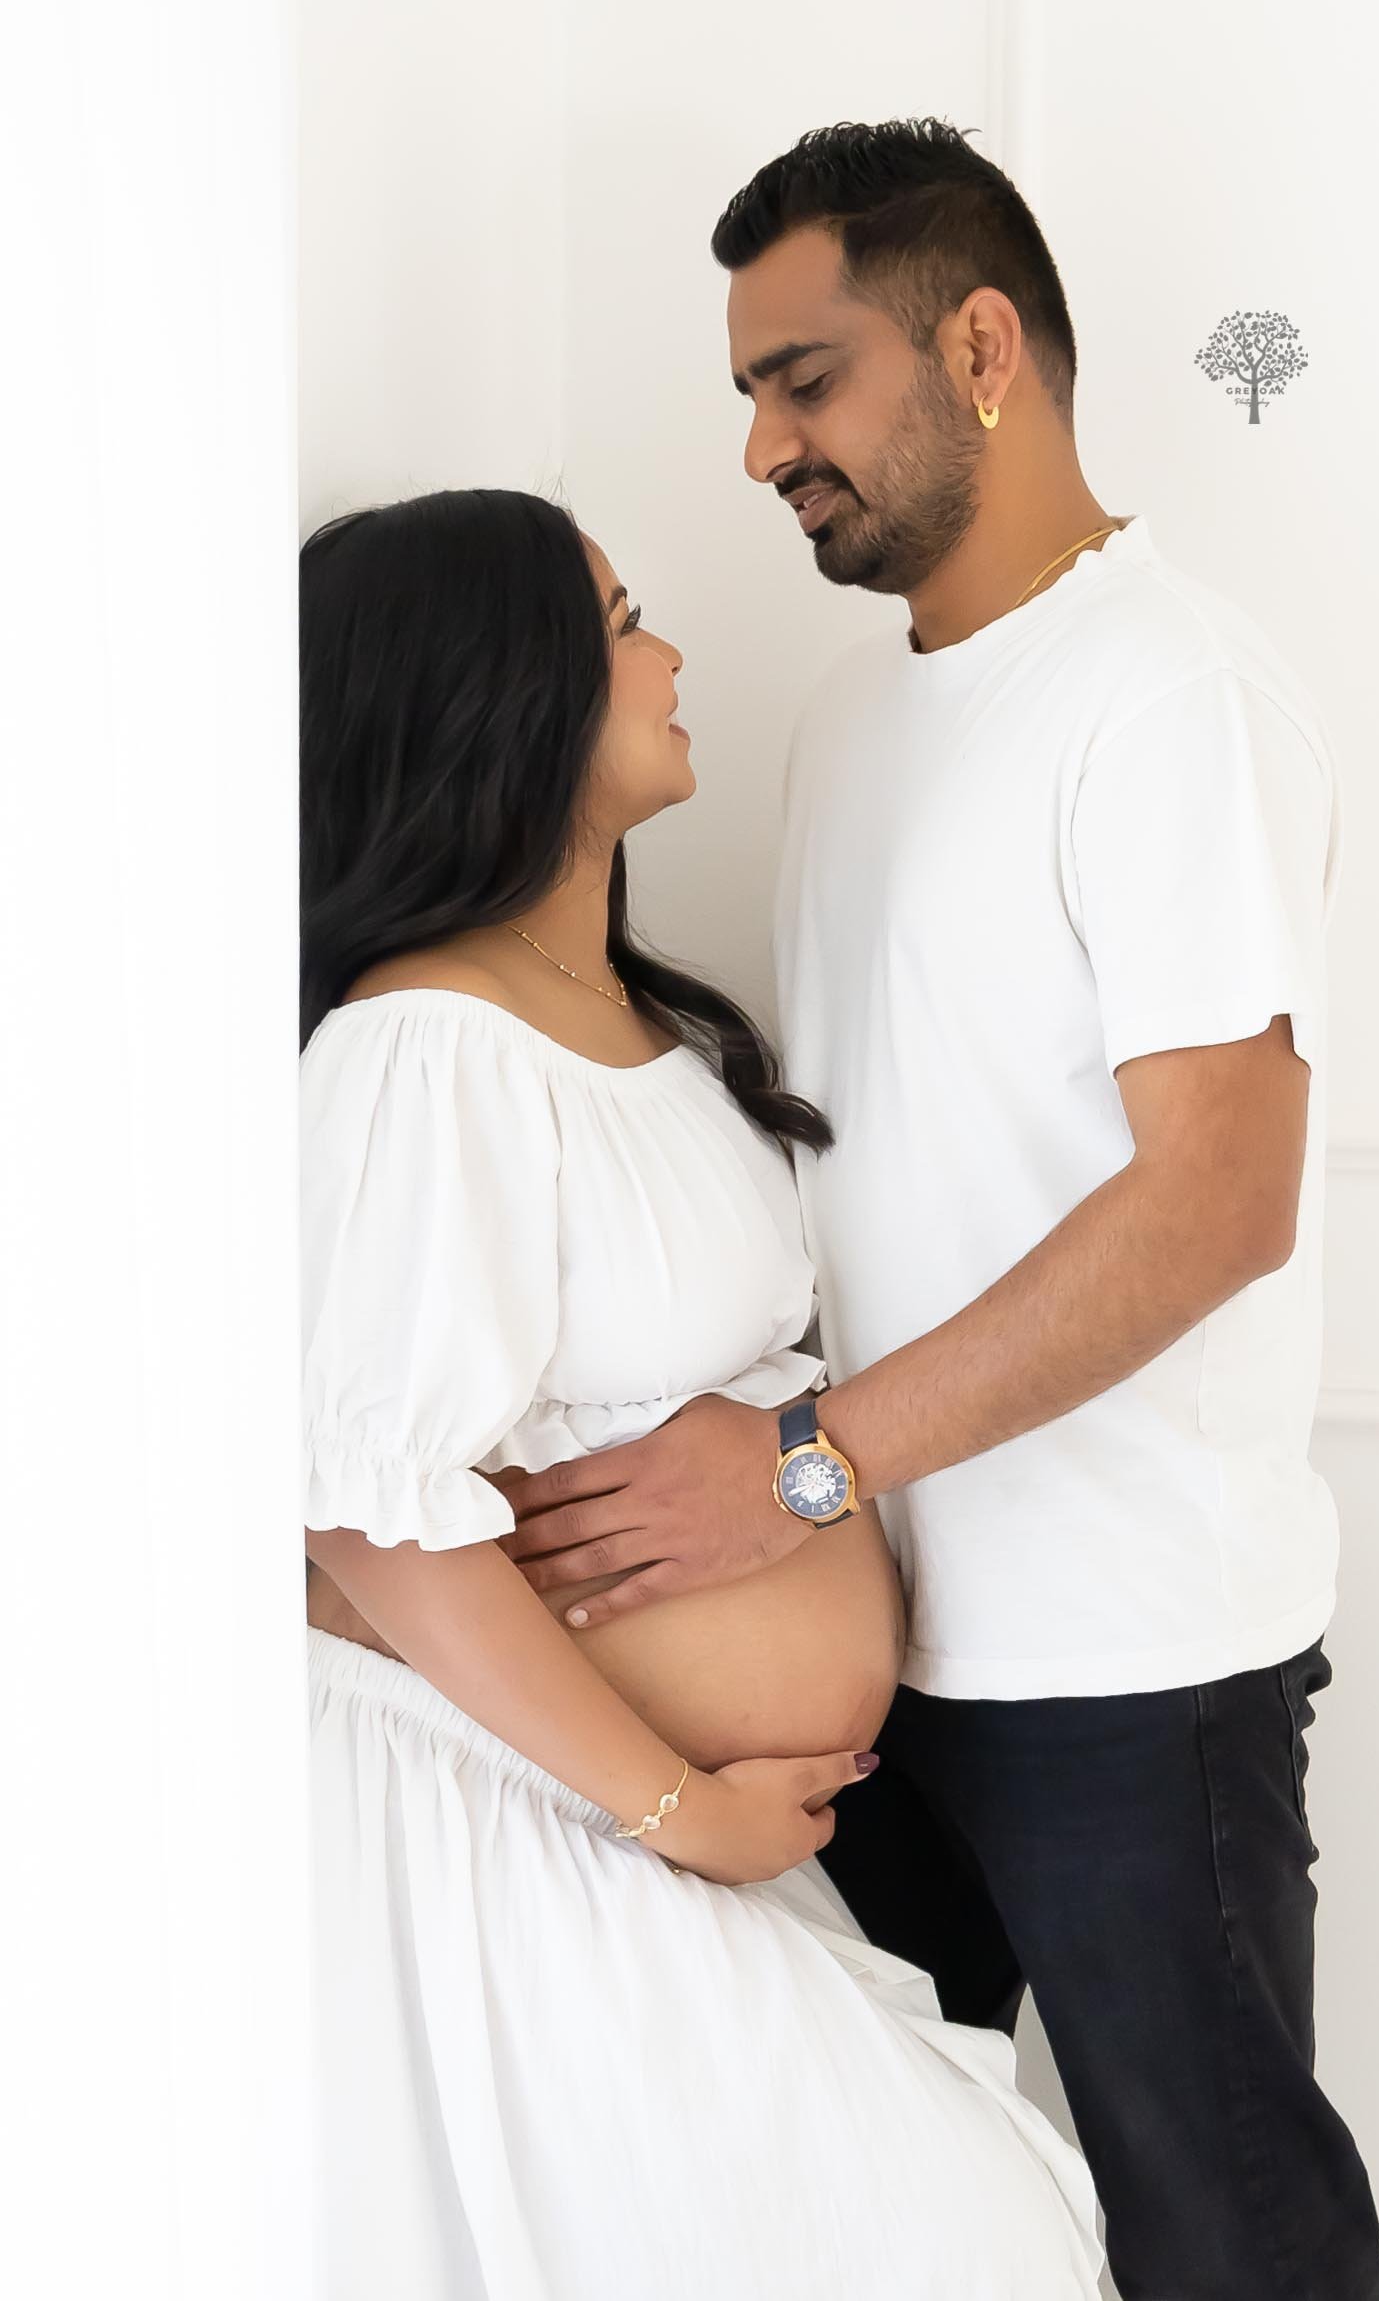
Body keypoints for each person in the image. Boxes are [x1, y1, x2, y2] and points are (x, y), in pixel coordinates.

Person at [496, 122, 1379, 2300]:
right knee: (875, 2213)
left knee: (1230, 2240)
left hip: (1131, 1667)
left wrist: (800, 1463)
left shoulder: (1166, 694)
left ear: (982, 349)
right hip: (890, 1649)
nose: (758, 449)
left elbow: (1218, 1200)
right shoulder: (850, 721)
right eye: (749, 394)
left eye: (803, 381)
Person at [299, 484, 1102, 2299]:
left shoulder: (637, 1019)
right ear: (500, 695)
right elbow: (368, 1513)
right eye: (619, 624)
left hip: (652, 1821)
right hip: (527, 1819)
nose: (668, 654)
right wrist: (677, 1807)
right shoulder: (426, 1045)